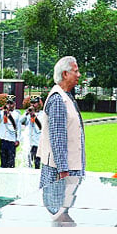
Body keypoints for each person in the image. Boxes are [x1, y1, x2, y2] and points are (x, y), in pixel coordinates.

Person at [37, 56, 85, 189]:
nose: (79, 75)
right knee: (58, 207)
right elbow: (58, 139)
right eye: (75, 71)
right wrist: (63, 172)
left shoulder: (66, 97)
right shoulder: (58, 100)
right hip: (61, 173)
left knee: (65, 208)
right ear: (65, 74)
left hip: (69, 170)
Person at [0, 95, 22, 168]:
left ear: (14, 104)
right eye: (8, 103)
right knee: (3, 159)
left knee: (11, 160)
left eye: (11, 103)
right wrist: (0, 109)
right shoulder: (2, 112)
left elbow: (19, 128)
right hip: (3, 138)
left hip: (11, 139)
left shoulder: (17, 114)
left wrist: (18, 139)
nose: (9, 105)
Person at [20, 95, 45, 169]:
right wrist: (26, 113)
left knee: (37, 162)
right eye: (31, 103)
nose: (33, 105)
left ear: (39, 104)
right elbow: (20, 121)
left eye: (35, 103)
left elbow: (40, 127)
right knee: (28, 163)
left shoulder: (42, 114)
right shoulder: (28, 114)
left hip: (37, 142)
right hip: (29, 142)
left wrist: (34, 116)